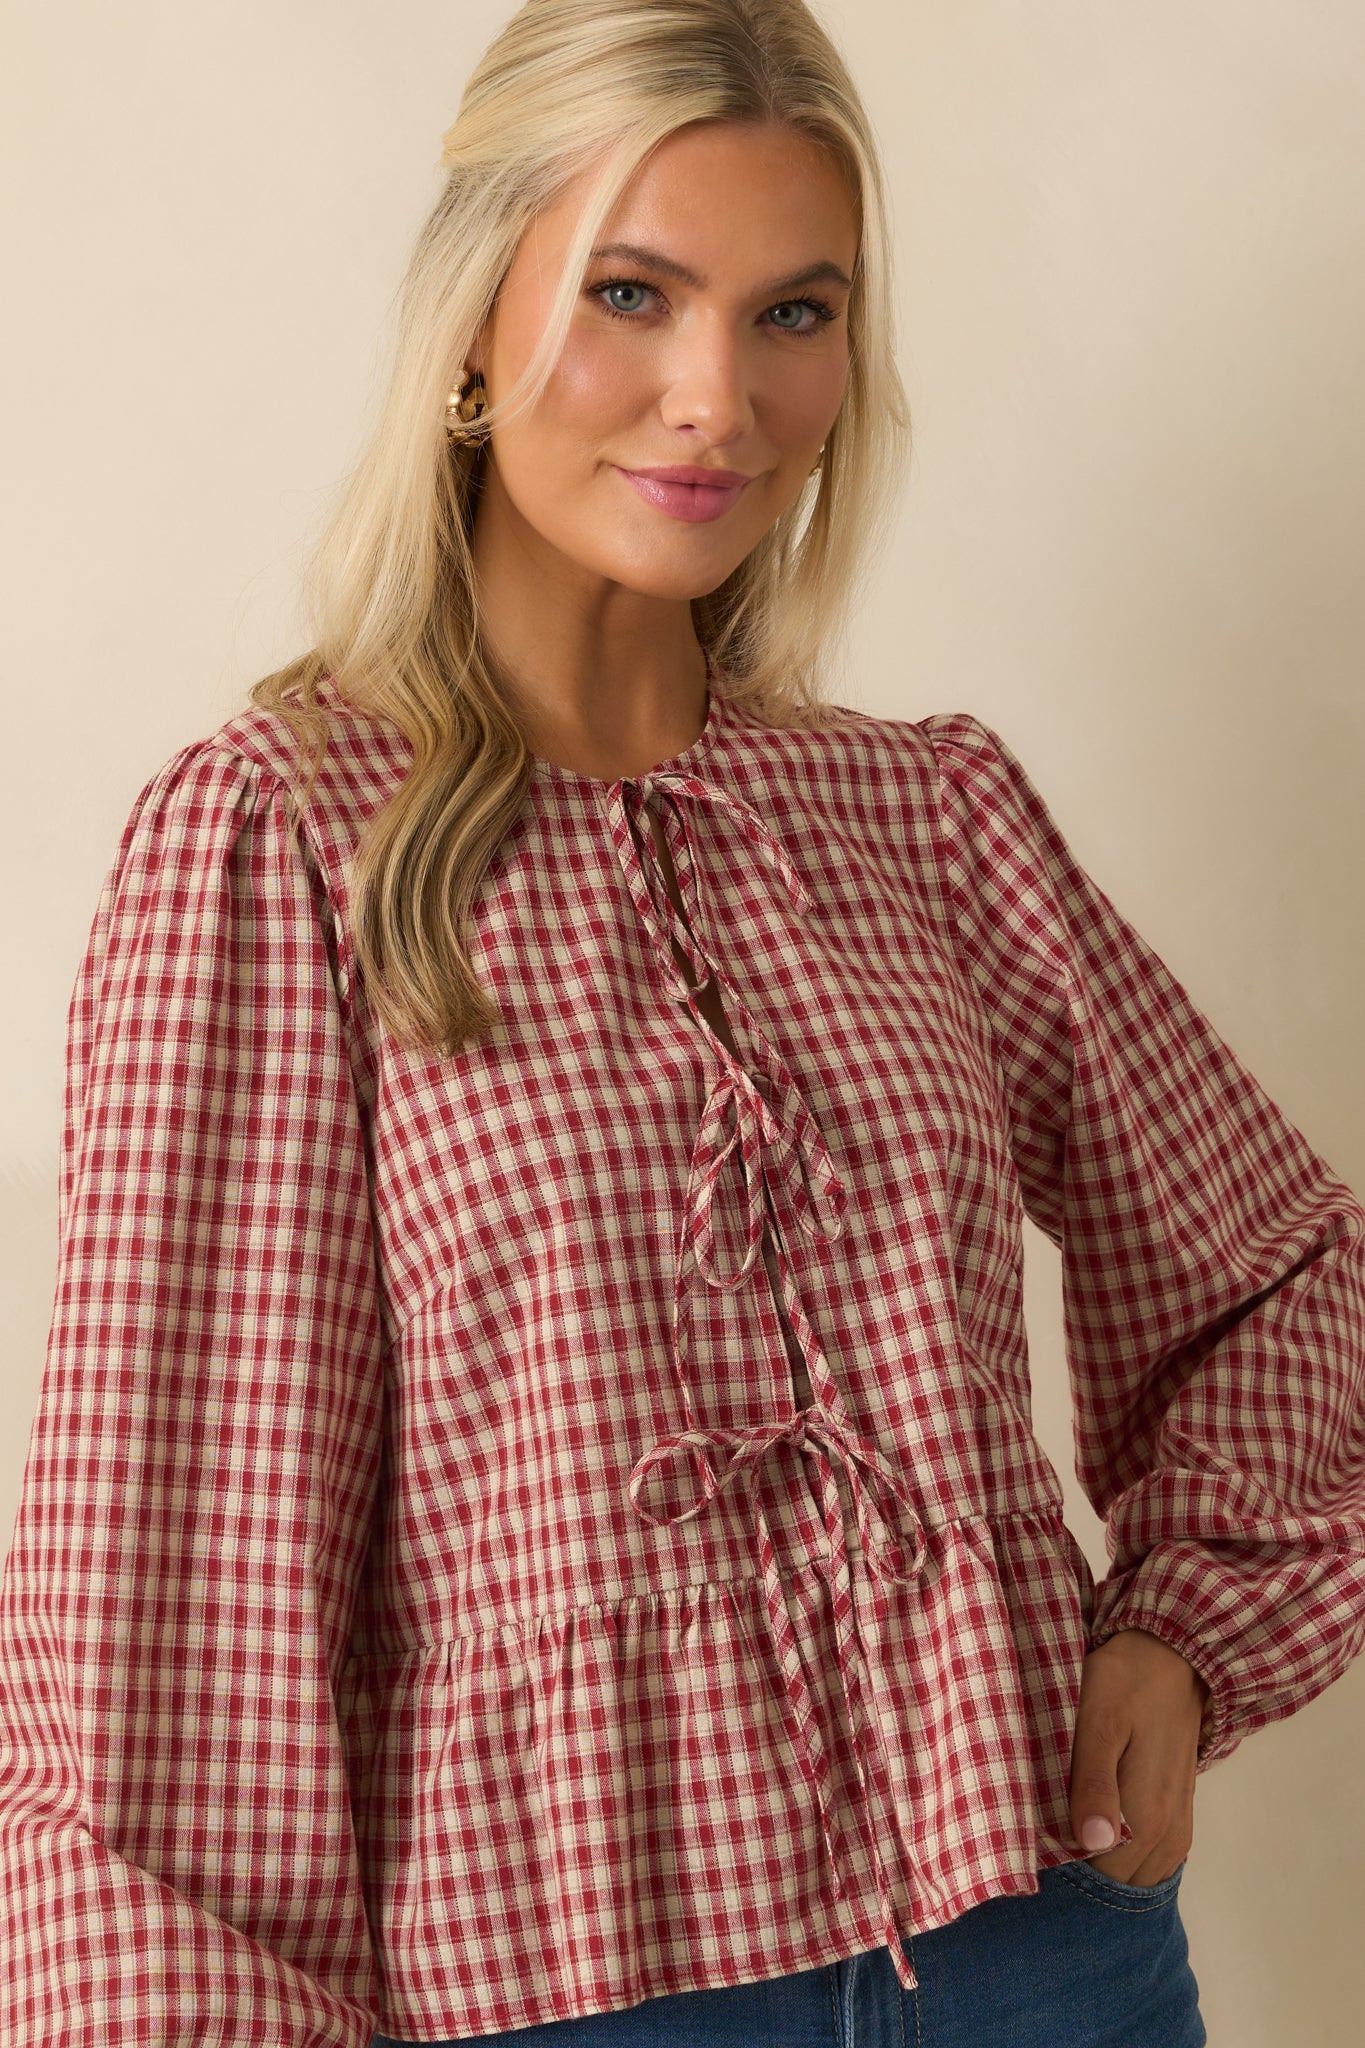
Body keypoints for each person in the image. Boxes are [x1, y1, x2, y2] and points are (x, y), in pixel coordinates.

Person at [1, 2, 1361, 2043]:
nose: (713, 398)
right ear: (475, 317)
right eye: (632, 294)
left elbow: (1282, 1273)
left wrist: (1173, 1637)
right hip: (564, 2002)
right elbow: (169, 1634)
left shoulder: (926, 819)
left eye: (792, 313)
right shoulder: (279, 843)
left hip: (1048, 1953)